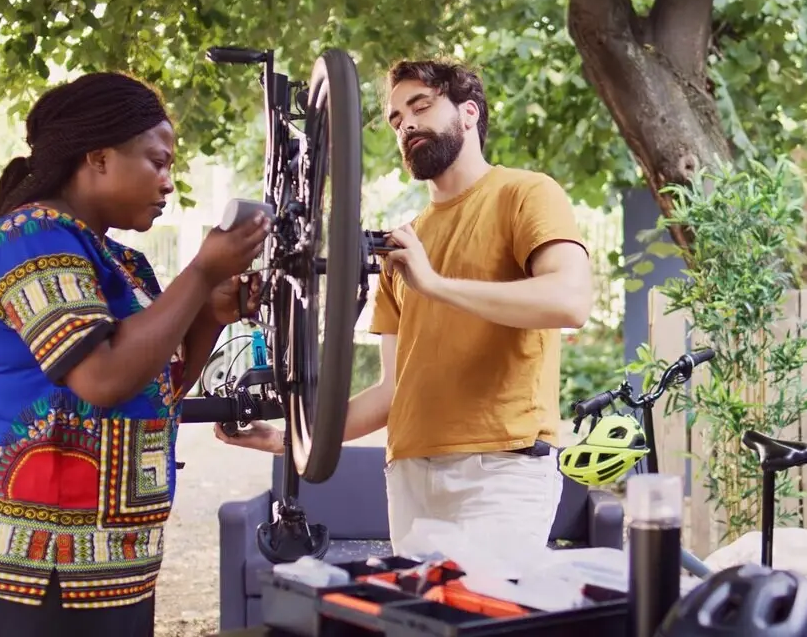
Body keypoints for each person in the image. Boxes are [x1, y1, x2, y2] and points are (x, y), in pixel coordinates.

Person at [0, 71, 272, 637]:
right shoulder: (28, 238)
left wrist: (210, 311)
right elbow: (103, 378)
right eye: (157, 162)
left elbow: (155, 387)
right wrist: (202, 271)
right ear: (99, 158)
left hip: (115, 559)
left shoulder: (124, 263)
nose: (167, 182)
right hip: (45, 561)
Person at [220, 58, 593, 555]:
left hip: (500, 469)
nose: (407, 124)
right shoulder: (406, 242)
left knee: (486, 621)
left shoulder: (525, 193)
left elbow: (570, 301)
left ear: (468, 113)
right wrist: (286, 437)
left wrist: (434, 282)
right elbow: (394, 391)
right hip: (410, 475)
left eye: (420, 106)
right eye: (397, 120)